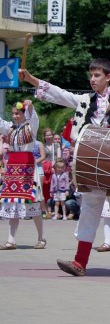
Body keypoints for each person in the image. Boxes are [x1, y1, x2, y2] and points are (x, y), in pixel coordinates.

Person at [19, 58, 110, 277]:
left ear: (108, 77)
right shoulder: (84, 100)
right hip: (90, 168)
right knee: (88, 214)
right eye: (91, 75)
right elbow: (59, 94)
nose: (92, 79)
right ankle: (80, 262)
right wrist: (31, 79)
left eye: (97, 75)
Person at [0, 100, 47, 250]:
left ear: (23, 114)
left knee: (32, 202)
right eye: (13, 114)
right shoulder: (10, 128)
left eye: (17, 113)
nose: (15, 116)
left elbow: (34, 118)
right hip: (13, 168)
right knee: (12, 203)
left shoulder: (30, 127)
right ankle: (11, 240)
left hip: (27, 168)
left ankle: (41, 238)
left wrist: (30, 106)